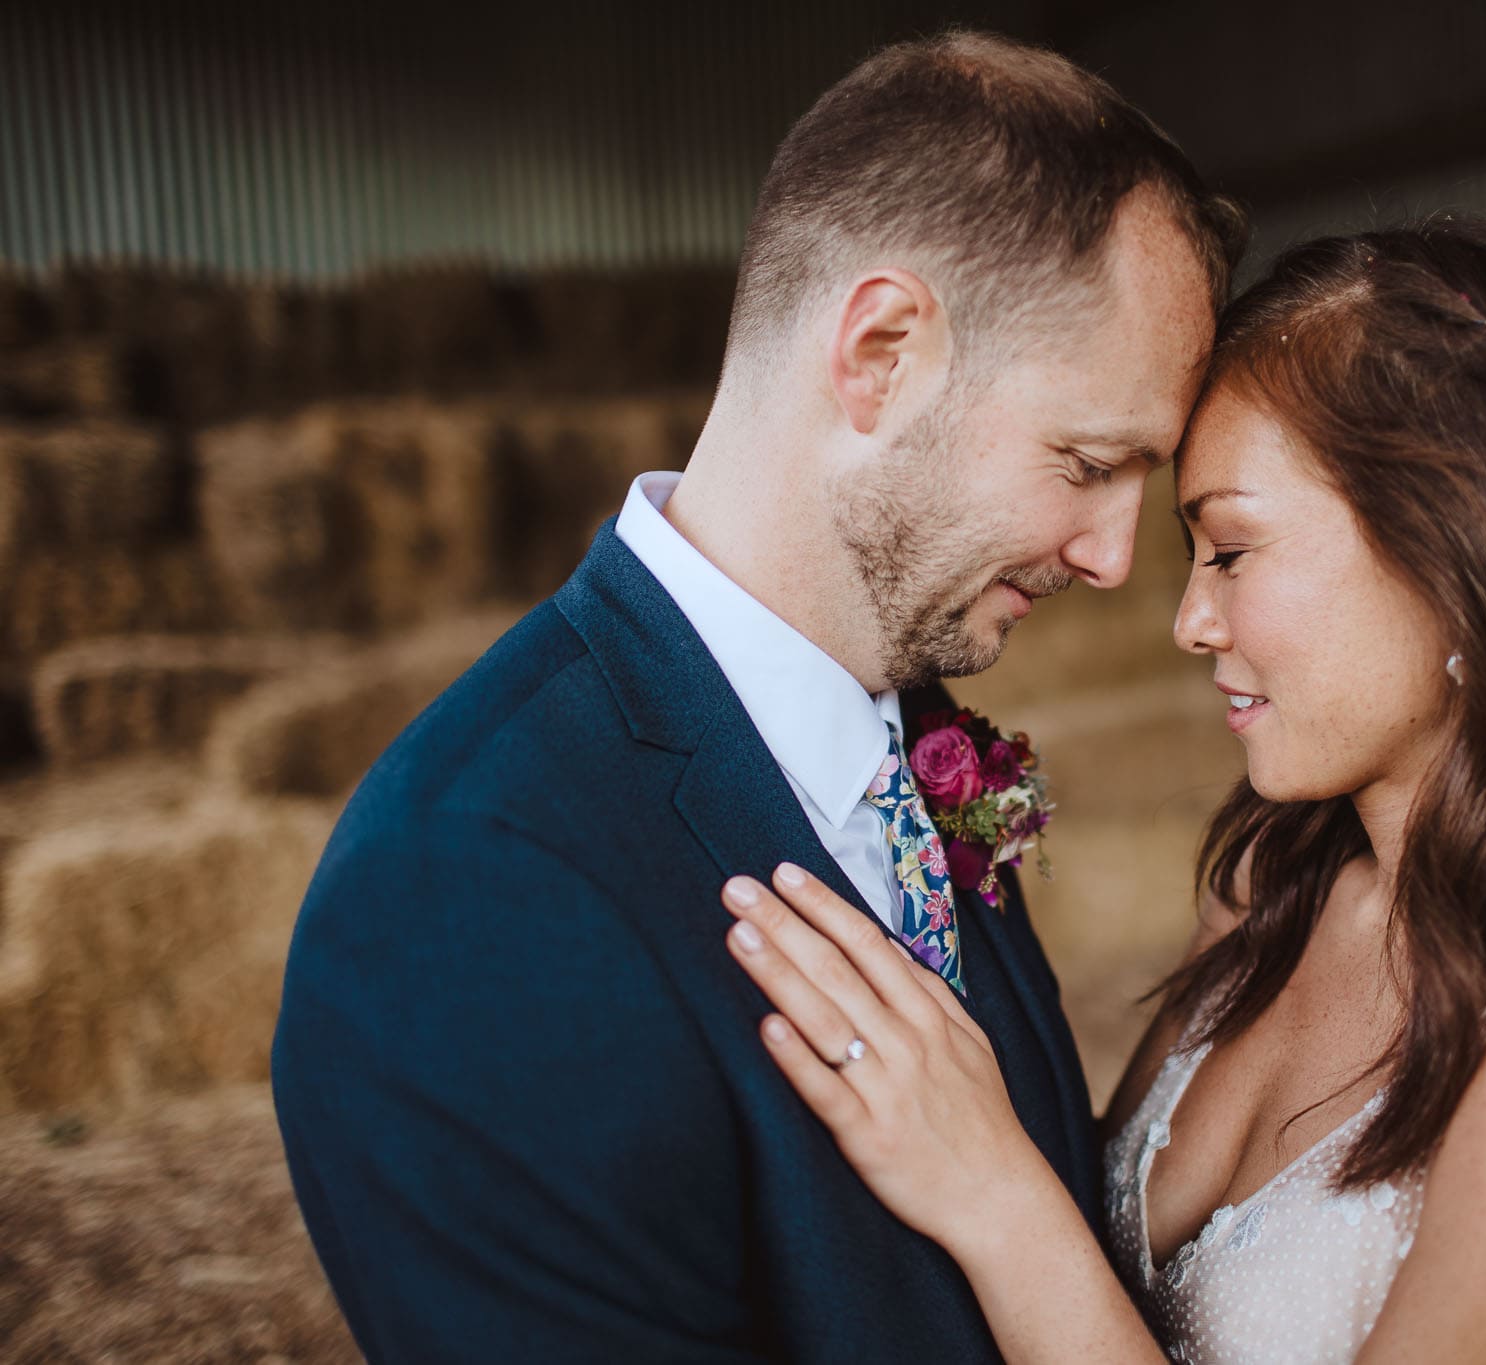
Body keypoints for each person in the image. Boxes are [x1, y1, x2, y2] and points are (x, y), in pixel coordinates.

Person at [719, 212, 1486, 1362]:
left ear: (1461, 562)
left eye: (1229, 550)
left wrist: (994, 1199)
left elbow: (1040, 1241)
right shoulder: (1271, 887)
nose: (1189, 620)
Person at [269, 30, 1244, 1363]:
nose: (1117, 557)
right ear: (882, 352)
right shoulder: (460, 891)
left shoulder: (918, 731)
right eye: (1086, 461)